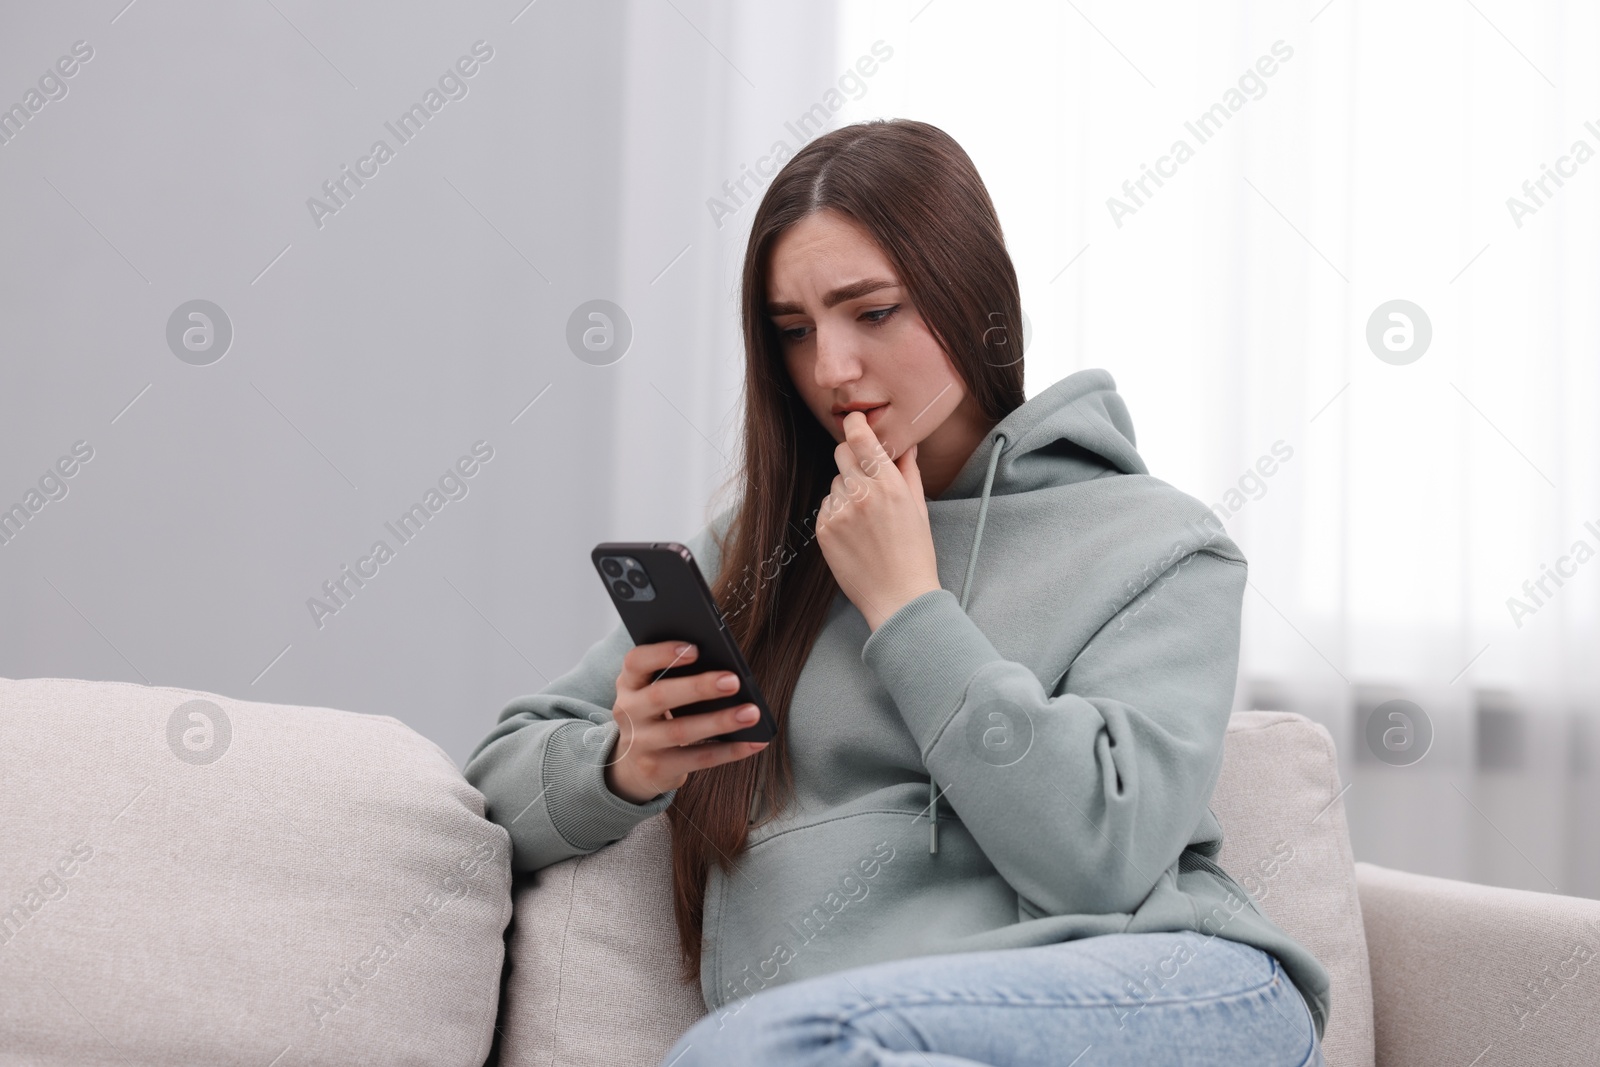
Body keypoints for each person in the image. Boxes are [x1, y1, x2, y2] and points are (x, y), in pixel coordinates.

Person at [464, 118, 1329, 1067]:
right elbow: (497, 779)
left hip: (1167, 995)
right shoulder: (760, 549)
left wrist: (909, 608)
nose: (832, 370)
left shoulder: (1157, 542)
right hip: (861, 1044)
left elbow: (1103, 860)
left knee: (751, 1048)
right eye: (795, 332)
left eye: (872, 312)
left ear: (975, 300)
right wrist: (625, 763)